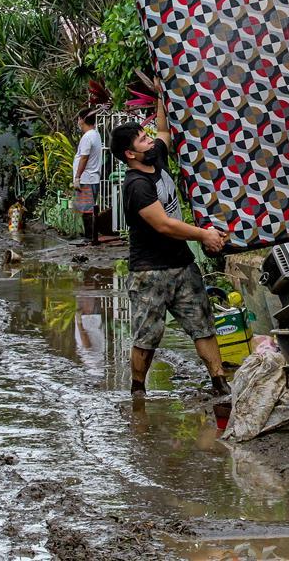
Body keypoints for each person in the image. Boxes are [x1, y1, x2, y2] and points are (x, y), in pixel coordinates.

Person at [110, 82, 230, 398]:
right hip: (150, 272)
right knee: (147, 339)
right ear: (130, 154)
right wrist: (204, 234)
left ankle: (220, 383)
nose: (151, 141)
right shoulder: (136, 185)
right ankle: (138, 391)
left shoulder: (155, 156)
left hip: (182, 265)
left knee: (202, 326)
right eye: (142, 139)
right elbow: (164, 225)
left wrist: (162, 94)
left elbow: (164, 131)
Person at [73, 108, 103, 244]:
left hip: (87, 178)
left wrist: (77, 177)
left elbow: (84, 158)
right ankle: (91, 237)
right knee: (89, 209)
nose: (78, 121)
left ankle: (89, 238)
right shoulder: (95, 134)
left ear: (82, 120)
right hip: (93, 178)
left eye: (79, 118)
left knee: (86, 210)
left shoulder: (87, 137)